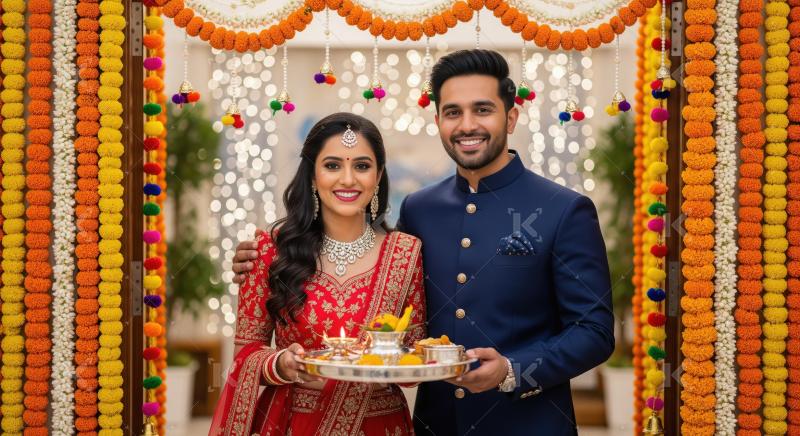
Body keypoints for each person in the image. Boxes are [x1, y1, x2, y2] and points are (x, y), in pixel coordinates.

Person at [233, 49, 614, 435]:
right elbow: (379, 280)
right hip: (435, 426)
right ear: (438, 120)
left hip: (527, 425)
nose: (467, 125)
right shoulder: (421, 209)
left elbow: (594, 332)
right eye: (453, 112)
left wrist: (514, 370)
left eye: (483, 110)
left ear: (511, 117)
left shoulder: (562, 209)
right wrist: (262, 259)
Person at [210, 112, 426, 436]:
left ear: (379, 175)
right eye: (332, 165)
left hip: (380, 424)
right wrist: (281, 364)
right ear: (312, 175)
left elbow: (413, 361)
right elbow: (245, 357)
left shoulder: (405, 253)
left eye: (362, 166)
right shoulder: (270, 251)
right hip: (293, 424)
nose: (348, 179)